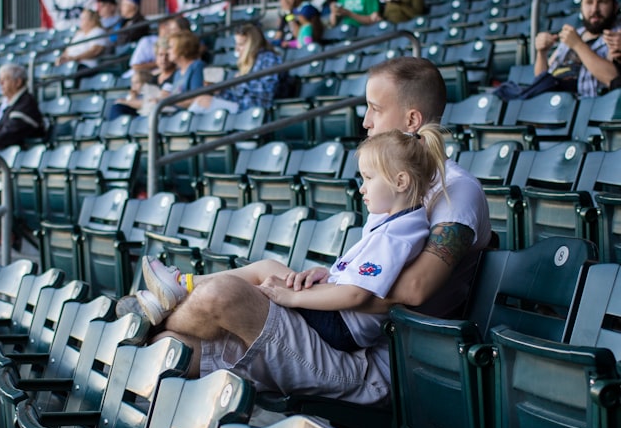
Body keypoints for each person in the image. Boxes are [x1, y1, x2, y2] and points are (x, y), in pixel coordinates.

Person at [120, 56, 490, 404]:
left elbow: (412, 289)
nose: (366, 121)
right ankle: (164, 308)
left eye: (375, 109)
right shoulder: (399, 185)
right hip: (339, 330)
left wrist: (314, 293)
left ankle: (153, 311)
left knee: (224, 295)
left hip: (370, 361)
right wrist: (329, 278)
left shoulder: (454, 189)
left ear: (411, 121)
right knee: (171, 346)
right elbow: (378, 268)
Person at [137, 124, 450, 401]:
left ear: (401, 181)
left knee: (258, 287)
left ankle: (156, 313)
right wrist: (326, 275)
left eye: (368, 178)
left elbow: (358, 294)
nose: (361, 187)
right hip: (338, 317)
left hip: (341, 329)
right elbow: (358, 277)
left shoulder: (397, 233)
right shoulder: (392, 220)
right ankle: (181, 286)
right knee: (268, 270)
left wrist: (296, 297)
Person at [534, 0, 621, 98]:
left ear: (615, 7)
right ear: (581, 6)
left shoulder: (617, 36)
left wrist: (577, 45)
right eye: (589, 2)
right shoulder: (573, 33)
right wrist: (542, 53)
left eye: (602, 2)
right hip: (553, 105)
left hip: (587, 108)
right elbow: (540, 83)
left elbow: (613, 79)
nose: (595, 9)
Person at [190, 23, 280, 113]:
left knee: (203, 101)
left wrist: (241, 80)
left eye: (241, 44)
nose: (237, 49)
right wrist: (218, 90)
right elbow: (237, 96)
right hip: (241, 105)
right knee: (201, 100)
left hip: (254, 108)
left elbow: (266, 92)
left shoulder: (268, 58)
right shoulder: (248, 63)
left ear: (252, 44)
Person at [165, 30, 206, 105]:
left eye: (170, 47)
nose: (168, 51)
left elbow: (197, 99)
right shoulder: (177, 73)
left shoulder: (196, 66)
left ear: (183, 48)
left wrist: (168, 103)